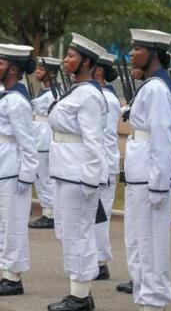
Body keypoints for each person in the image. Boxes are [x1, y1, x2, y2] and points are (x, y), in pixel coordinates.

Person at [46, 33, 107, 311]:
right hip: (64, 171)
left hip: (78, 174)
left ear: (87, 63)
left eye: (71, 56)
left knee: (78, 233)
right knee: (66, 232)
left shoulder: (89, 96)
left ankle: (80, 297)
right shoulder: (78, 91)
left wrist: (91, 180)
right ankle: (79, 292)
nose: (65, 59)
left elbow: (94, 142)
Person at [123, 29, 171, 311]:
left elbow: (160, 137)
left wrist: (158, 182)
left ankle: (154, 303)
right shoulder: (150, 86)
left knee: (151, 245)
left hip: (149, 178)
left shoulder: (156, 89)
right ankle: (147, 301)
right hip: (140, 175)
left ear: (154, 54)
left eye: (138, 49)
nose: (132, 54)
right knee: (138, 243)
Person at [0, 43, 38, 297]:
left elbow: (27, 142)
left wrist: (26, 175)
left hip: (11, 170)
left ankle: (14, 277)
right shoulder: (6, 96)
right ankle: (6, 274)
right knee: (0, 224)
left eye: (1, 64)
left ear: (13, 70)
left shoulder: (16, 102)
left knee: (12, 225)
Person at [94, 50, 121, 281]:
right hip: (96, 163)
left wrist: (103, 166)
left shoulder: (108, 99)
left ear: (99, 71)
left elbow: (107, 137)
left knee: (100, 215)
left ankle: (100, 262)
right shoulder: (96, 95)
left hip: (104, 164)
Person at [29, 57, 61, 229]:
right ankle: (48, 211)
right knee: (41, 176)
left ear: (51, 73)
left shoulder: (54, 93)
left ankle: (50, 214)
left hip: (44, 136)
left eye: (41, 69)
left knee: (45, 177)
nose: (37, 72)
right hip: (39, 135)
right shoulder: (44, 91)